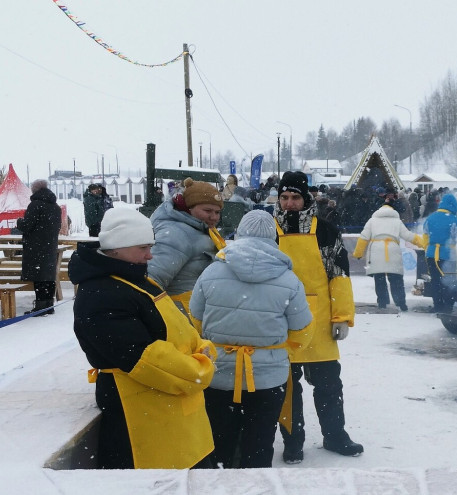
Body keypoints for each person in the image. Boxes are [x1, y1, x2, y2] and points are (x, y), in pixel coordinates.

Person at [69, 207, 216, 469]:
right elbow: (141, 357)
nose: (150, 255)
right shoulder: (101, 294)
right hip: (139, 411)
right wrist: (198, 368)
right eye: (142, 248)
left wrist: (201, 349)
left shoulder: (134, 278)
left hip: (169, 401)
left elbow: (182, 328)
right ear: (116, 248)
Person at [190, 210, 313, 469]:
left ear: (240, 234)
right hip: (267, 379)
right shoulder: (290, 280)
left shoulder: (211, 272)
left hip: (218, 374)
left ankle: (219, 482)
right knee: (260, 440)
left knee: (218, 439)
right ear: (273, 237)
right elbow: (302, 327)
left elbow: (196, 318)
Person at [272, 171, 362, 464]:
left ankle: (335, 436)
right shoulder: (268, 231)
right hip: (280, 322)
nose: (289, 203)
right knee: (287, 389)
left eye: (295, 197)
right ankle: (293, 441)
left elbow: (339, 276)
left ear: (306, 198)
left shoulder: (326, 231)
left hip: (320, 321)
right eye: (284, 197)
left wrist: (342, 316)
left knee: (329, 385)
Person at [148, 177, 225, 317]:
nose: (214, 217)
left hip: (195, 313)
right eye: (207, 210)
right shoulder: (177, 234)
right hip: (183, 316)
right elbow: (152, 281)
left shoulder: (200, 228)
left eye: (217, 212)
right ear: (189, 208)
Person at [353, 202, 427, 312]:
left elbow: (363, 237)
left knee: (380, 279)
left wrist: (358, 253)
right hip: (393, 250)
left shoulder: (372, 221)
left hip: (376, 251)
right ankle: (401, 303)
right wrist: (424, 244)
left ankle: (383, 302)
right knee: (396, 279)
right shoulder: (397, 221)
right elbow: (408, 236)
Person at [17, 179, 62, 316]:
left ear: (34, 190)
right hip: (50, 246)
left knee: (39, 277)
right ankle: (48, 305)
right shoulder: (55, 207)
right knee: (48, 276)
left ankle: (40, 307)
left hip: (36, 247)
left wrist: (19, 221)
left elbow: (26, 225)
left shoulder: (35, 205)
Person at [422, 193, 457, 313]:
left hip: (432, 255)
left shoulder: (430, 218)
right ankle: (448, 307)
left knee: (435, 281)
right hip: (448, 255)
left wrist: (427, 248)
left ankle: (438, 306)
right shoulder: (454, 219)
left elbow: (425, 236)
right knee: (449, 282)